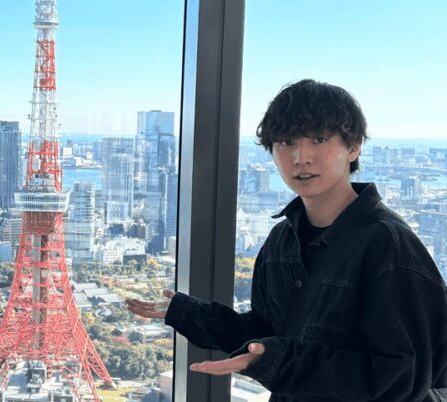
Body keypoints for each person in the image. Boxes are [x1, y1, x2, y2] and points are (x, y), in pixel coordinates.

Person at [126, 79, 447, 401]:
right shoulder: (283, 240)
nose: (300, 157)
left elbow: (402, 379)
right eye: (286, 142)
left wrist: (282, 363)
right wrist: (190, 314)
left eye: (319, 139)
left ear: (354, 146)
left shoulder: (389, 245)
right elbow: (271, 335)